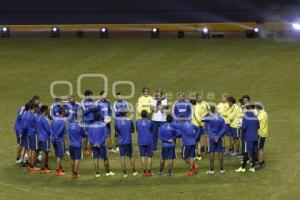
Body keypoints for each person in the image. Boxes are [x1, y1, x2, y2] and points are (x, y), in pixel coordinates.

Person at [88, 112, 115, 178]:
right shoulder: (103, 125)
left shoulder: (91, 126)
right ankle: (108, 172)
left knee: (95, 159)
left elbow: (89, 136)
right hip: (102, 145)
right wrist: (99, 143)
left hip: (94, 145)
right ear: (100, 118)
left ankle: (97, 174)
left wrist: (94, 143)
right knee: (105, 159)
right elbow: (105, 135)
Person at [202, 105, 227, 175]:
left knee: (211, 152)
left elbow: (202, 119)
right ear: (216, 110)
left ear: (210, 111)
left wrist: (207, 113)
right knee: (220, 152)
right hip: (218, 138)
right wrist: (218, 136)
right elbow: (224, 128)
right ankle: (221, 169)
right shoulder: (221, 118)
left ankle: (211, 170)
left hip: (212, 138)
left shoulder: (209, 118)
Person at [235, 104, 260, 173]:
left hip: (248, 137)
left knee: (246, 152)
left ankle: (243, 167)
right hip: (255, 137)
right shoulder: (255, 117)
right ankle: (253, 167)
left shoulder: (245, 117)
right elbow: (258, 126)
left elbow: (244, 127)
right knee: (254, 152)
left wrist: (240, 125)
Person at [115, 111, 137, 178]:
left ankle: (125, 173)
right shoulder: (129, 120)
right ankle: (134, 172)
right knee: (131, 156)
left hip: (121, 142)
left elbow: (116, 133)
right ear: (126, 114)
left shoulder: (117, 121)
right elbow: (133, 130)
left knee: (122, 157)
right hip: (128, 141)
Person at [136, 110, 154, 177]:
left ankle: (144, 172)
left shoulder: (138, 122)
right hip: (149, 141)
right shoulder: (150, 122)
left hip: (141, 141)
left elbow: (137, 130)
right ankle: (149, 171)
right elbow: (152, 131)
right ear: (147, 115)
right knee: (149, 157)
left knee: (142, 156)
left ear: (141, 115)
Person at [193, 93, 210, 160]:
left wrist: (206, 117)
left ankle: (208, 148)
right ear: (196, 98)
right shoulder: (195, 105)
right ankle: (201, 148)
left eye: (201, 97)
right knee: (200, 136)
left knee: (206, 135)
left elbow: (209, 111)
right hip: (198, 123)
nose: (201, 98)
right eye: (199, 97)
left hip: (205, 123)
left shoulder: (205, 103)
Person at [51, 107, 67, 176]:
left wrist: (53, 137)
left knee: (57, 154)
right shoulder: (63, 121)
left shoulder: (54, 119)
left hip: (54, 139)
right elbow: (60, 130)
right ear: (63, 112)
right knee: (59, 156)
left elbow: (51, 128)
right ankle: (58, 170)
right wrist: (56, 136)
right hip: (60, 140)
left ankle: (60, 167)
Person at [81, 90, 97, 156]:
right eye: (90, 95)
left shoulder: (93, 101)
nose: (91, 96)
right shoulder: (83, 102)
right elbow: (84, 112)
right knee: (86, 136)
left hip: (93, 120)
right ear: (87, 96)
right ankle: (85, 149)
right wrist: (91, 109)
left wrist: (90, 109)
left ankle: (92, 149)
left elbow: (96, 108)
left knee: (92, 135)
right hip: (86, 121)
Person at [37, 105, 51, 173]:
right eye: (48, 110)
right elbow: (48, 129)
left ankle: (46, 166)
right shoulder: (45, 119)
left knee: (44, 152)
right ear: (45, 111)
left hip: (39, 137)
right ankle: (42, 168)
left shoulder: (38, 117)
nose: (49, 111)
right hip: (45, 138)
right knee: (45, 153)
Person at [255, 103, 268, 169]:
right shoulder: (263, 113)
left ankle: (260, 163)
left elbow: (256, 121)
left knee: (260, 148)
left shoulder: (262, 114)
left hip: (261, 133)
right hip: (262, 133)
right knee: (261, 148)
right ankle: (262, 161)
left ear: (258, 108)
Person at [27, 102, 39, 171]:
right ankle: (32, 165)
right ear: (33, 108)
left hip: (29, 134)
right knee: (33, 150)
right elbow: (37, 126)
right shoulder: (34, 116)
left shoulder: (27, 115)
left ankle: (29, 164)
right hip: (34, 134)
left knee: (30, 150)